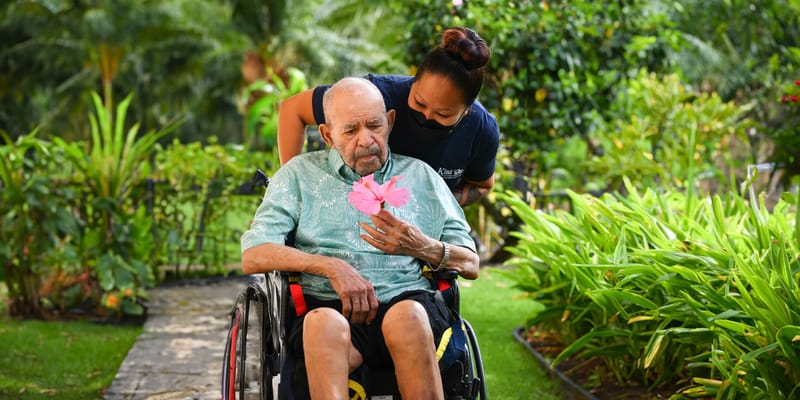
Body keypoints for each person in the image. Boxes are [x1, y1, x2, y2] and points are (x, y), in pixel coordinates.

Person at [241, 77, 480, 400]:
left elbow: (470, 261)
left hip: (408, 303)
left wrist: (422, 246)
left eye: (374, 126)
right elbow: (254, 253)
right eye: (351, 130)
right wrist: (330, 267)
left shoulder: (421, 176)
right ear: (327, 135)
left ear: (390, 122)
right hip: (325, 306)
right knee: (322, 324)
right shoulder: (298, 176)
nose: (366, 140)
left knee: (407, 318)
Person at [277, 27, 499, 207]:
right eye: (419, 103)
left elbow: (481, 185)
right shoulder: (374, 95)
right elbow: (292, 110)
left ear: (467, 110)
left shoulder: (481, 129)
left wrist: (435, 206)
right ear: (412, 83)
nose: (427, 116)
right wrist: (291, 189)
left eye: (443, 114)